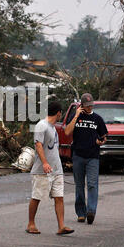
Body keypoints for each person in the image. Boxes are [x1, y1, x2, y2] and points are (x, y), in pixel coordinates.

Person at [26, 101, 75, 235]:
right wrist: (45, 163)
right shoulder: (42, 125)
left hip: (56, 170)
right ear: (58, 113)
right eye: (61, 113)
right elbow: (38, 145)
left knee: (59, 197)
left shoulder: (52, 127)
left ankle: (61, 226)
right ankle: (31, 223)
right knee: (37, 196)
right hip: (42, 170)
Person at [64, 93, 107, 225]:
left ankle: (91, 211)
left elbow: (104, 136)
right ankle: (81, 213)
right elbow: (67, 132)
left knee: (92, 184)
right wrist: (76, 115)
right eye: (87, 106)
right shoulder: (76, 117)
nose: (89, 108)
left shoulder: (97, 119)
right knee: (79, 185)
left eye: (91, 105)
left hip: (93, 156)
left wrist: (101, 141)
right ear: (81, 106)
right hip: (78, 155)